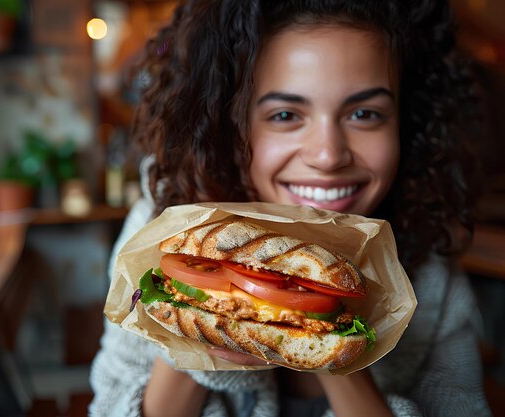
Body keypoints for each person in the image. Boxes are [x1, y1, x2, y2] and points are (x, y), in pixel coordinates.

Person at [89, 1, 492, 416]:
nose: (328, 155)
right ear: (230, 124)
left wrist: (335, 338)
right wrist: (194, 331)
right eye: (285, 115)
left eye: (364, 113)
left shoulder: (431, 274)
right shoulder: (159, 233)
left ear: (406, 125)